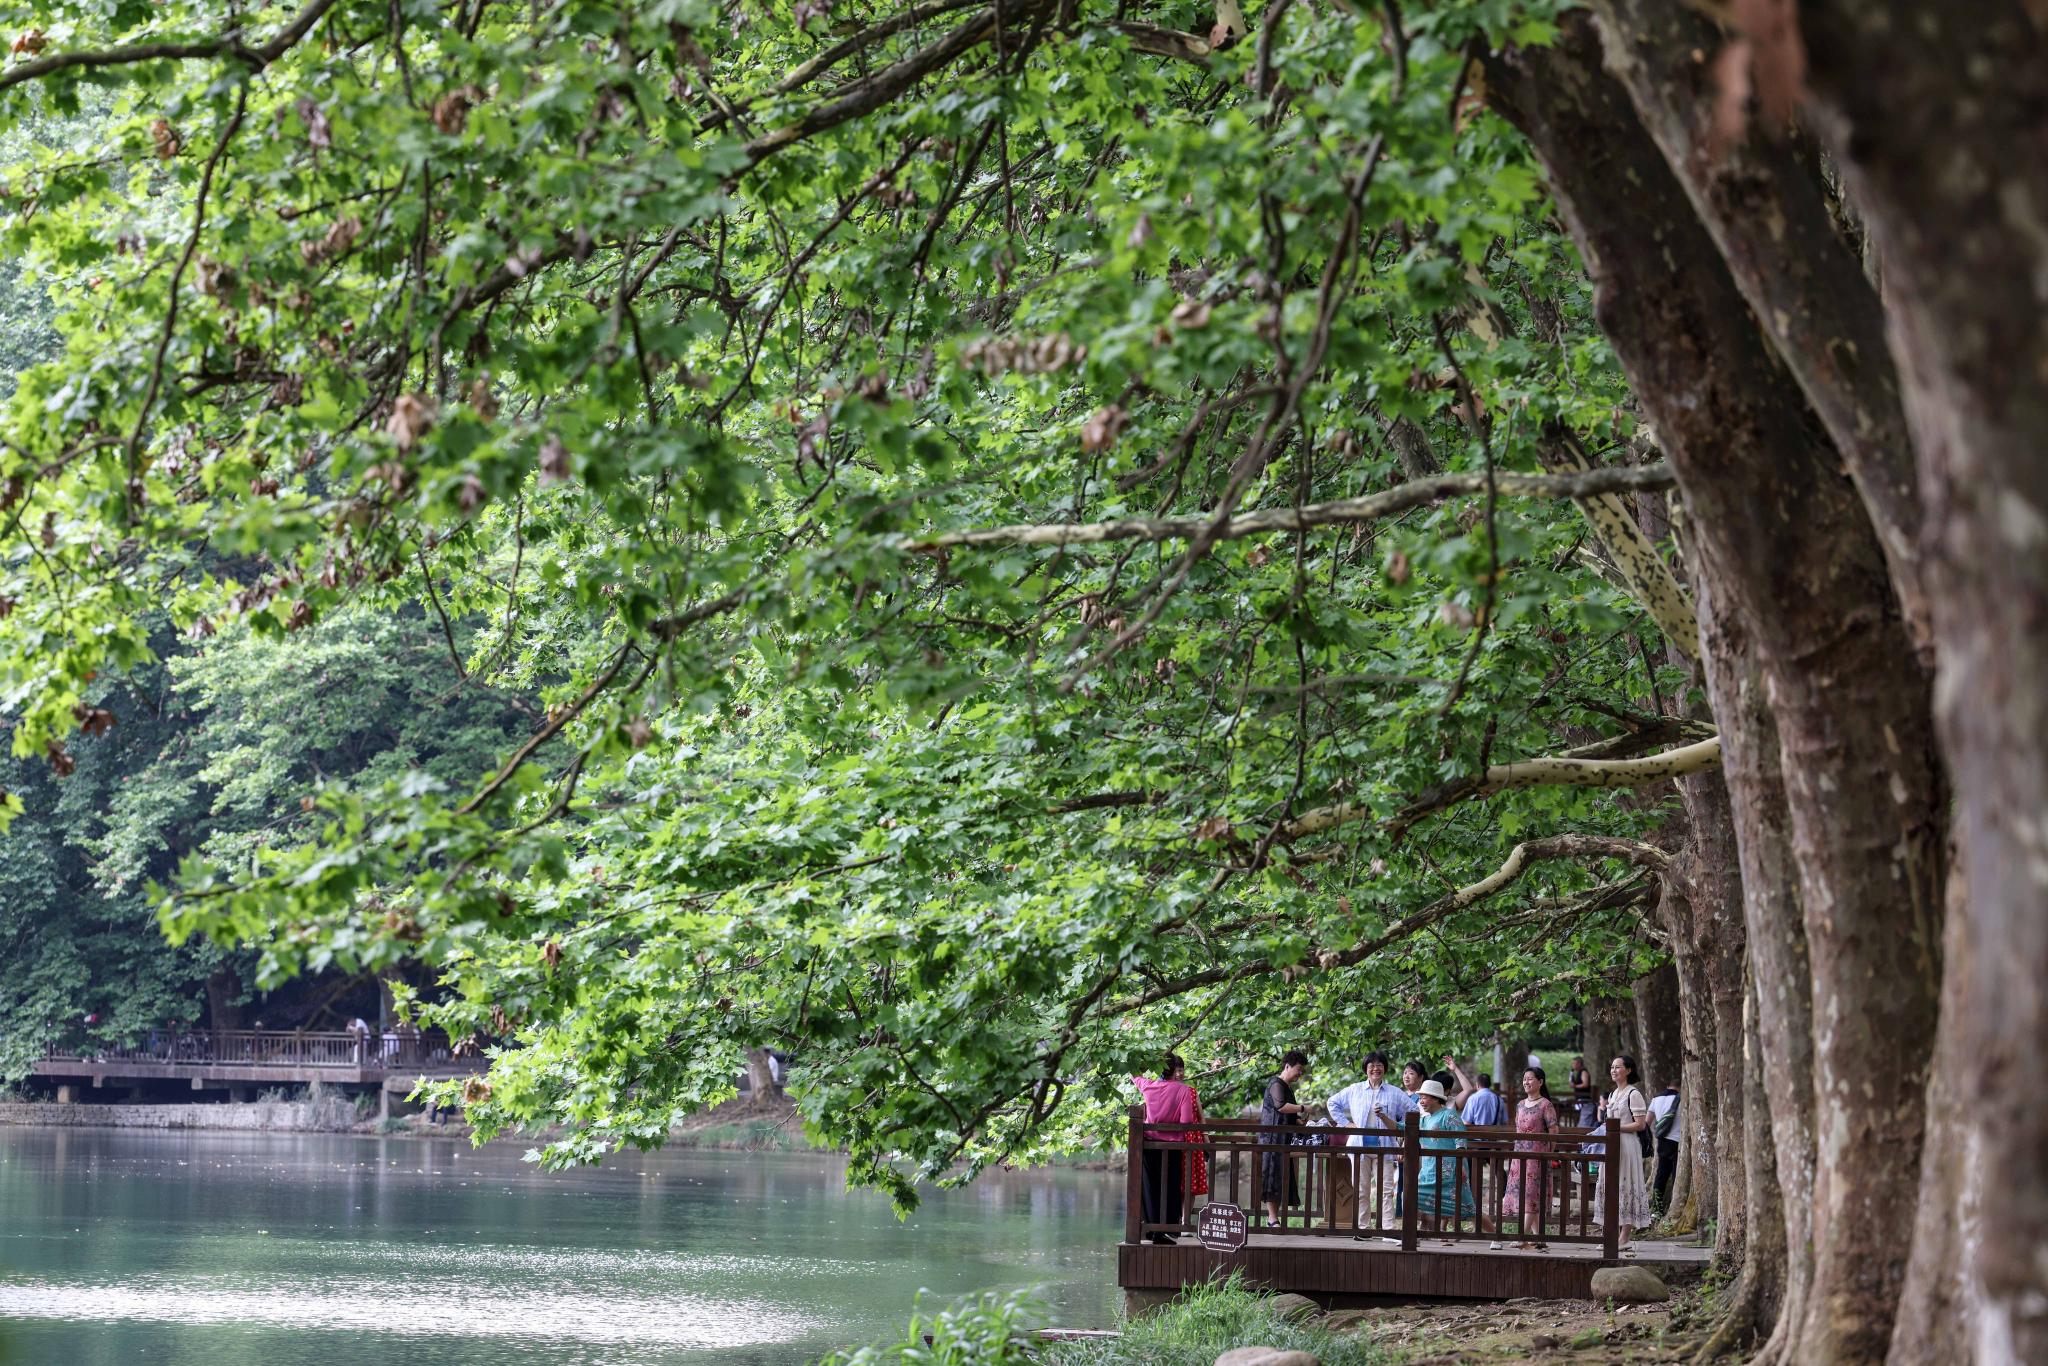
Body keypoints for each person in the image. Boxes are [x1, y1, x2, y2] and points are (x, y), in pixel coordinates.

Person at [1328, 1050, 1414, 1239]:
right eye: (1371, 1065)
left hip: (1385, 1147)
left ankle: (1388, 1229)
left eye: (1379, 1065)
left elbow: (1414, 1110)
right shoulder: (1355, 1089)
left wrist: (1402, 1130)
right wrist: (1346, 1124)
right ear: (1366, 1069)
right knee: (1361, 1189)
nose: (1376, 1068)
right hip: (1359, 1147)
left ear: (1385, 1068)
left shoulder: (1394, 1092)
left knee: (1386, 1189)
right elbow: (1332, 1103)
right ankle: (1363, 1229)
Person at [1411, 1079, 1502, 1247]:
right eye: (1420, 1097)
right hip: (1430, 1170)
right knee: (1417, 1198)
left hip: (1451, 1170)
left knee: (1469, 1208)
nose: (1421, 1101)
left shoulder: (1449, 1115)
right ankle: (1419, 1235)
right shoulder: (1424, 1119)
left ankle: (1496, 1237)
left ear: (1435, 1098)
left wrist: (1460, 1166)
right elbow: (1401, 1126)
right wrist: (1383, 1117)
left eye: (1425, 1097)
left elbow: (1460, 1141)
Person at [1130, 1053, 1200, 1245]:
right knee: (1170, 1188)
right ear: (1173, 1071)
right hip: (1173, 1146)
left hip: (1150, 1145)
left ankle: (1152, 1230)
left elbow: (1133, 1072)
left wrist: (1150, 1061)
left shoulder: (1148, 1085)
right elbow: (1186, 1121)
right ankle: (1166, 1230)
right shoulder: (1183, 1091)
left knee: (1150, 1187)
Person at [1500, 1066, 1560, 1250]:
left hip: (1537, 1157)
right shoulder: (1520, 1105)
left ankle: (1521, 1235)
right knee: (1523, 1196)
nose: (1526, 1082)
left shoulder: (1545, 1105)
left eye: (1530, 1079)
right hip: (1520, 1156)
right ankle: (1538, 1236)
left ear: (1540, 1082)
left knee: (1531, 1196)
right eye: (1524, 1079)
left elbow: (1554, 1132)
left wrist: (1546, 1154)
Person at [1604, 1055, 1654, 1253]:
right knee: (1612, 1187)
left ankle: (1624, 1237)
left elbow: (1641, 1124)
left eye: (1618, 1067)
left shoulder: (1633, 1093)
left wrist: (1615, 1128)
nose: (1614, 1070)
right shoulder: (1612, 1094)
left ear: (1629, 1070)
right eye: (1612, 1067)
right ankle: (1612, 1236)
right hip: (1612, 1144)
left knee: (1626, 1187)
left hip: (1627, 1144)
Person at [1260, 1050, 1310, 1225]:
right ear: (1287, 1066)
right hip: (1273, 1139)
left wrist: (1299, 1121)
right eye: (1298, 1069)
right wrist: (1303, 1108)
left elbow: (1286, 1113)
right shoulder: (1276, 1083)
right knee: (1272, 1177)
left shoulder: (1286, 1086)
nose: (1300, 1073)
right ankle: (1272, 1219)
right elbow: (1280, 1106)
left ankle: (1275, 1218)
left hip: (1283, 1139)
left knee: (1282, 1177)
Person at [1447, 1056, 1506, 1127]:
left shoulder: (1473, 1098)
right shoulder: (1499, 1100)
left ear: (1477, 1085)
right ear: (1489, 1084)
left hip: (1476, 1137)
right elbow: (1504, 1122)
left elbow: (1466, 1121)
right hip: (1494, 1137)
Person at [1649, 1084, 1681, 1214]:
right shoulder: (1681, 1099)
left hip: (1662, 1141)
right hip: (1677, 1141)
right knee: (1676, 1175)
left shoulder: (1656, 1099)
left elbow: (1647, 1121)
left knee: (1661, 1175)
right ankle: (1675, 1206)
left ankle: (1657, 1209)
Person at [1569, 1056, 1597, 1128]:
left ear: (1579, 1064)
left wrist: (1575, 1086)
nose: (1573, 1065)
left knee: (1584, 1118)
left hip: (1584, 1098)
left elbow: (1585, 1084)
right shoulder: (1577, 1072)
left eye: (1574, 1063)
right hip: (1579, 1098)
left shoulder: (1583, 1072)